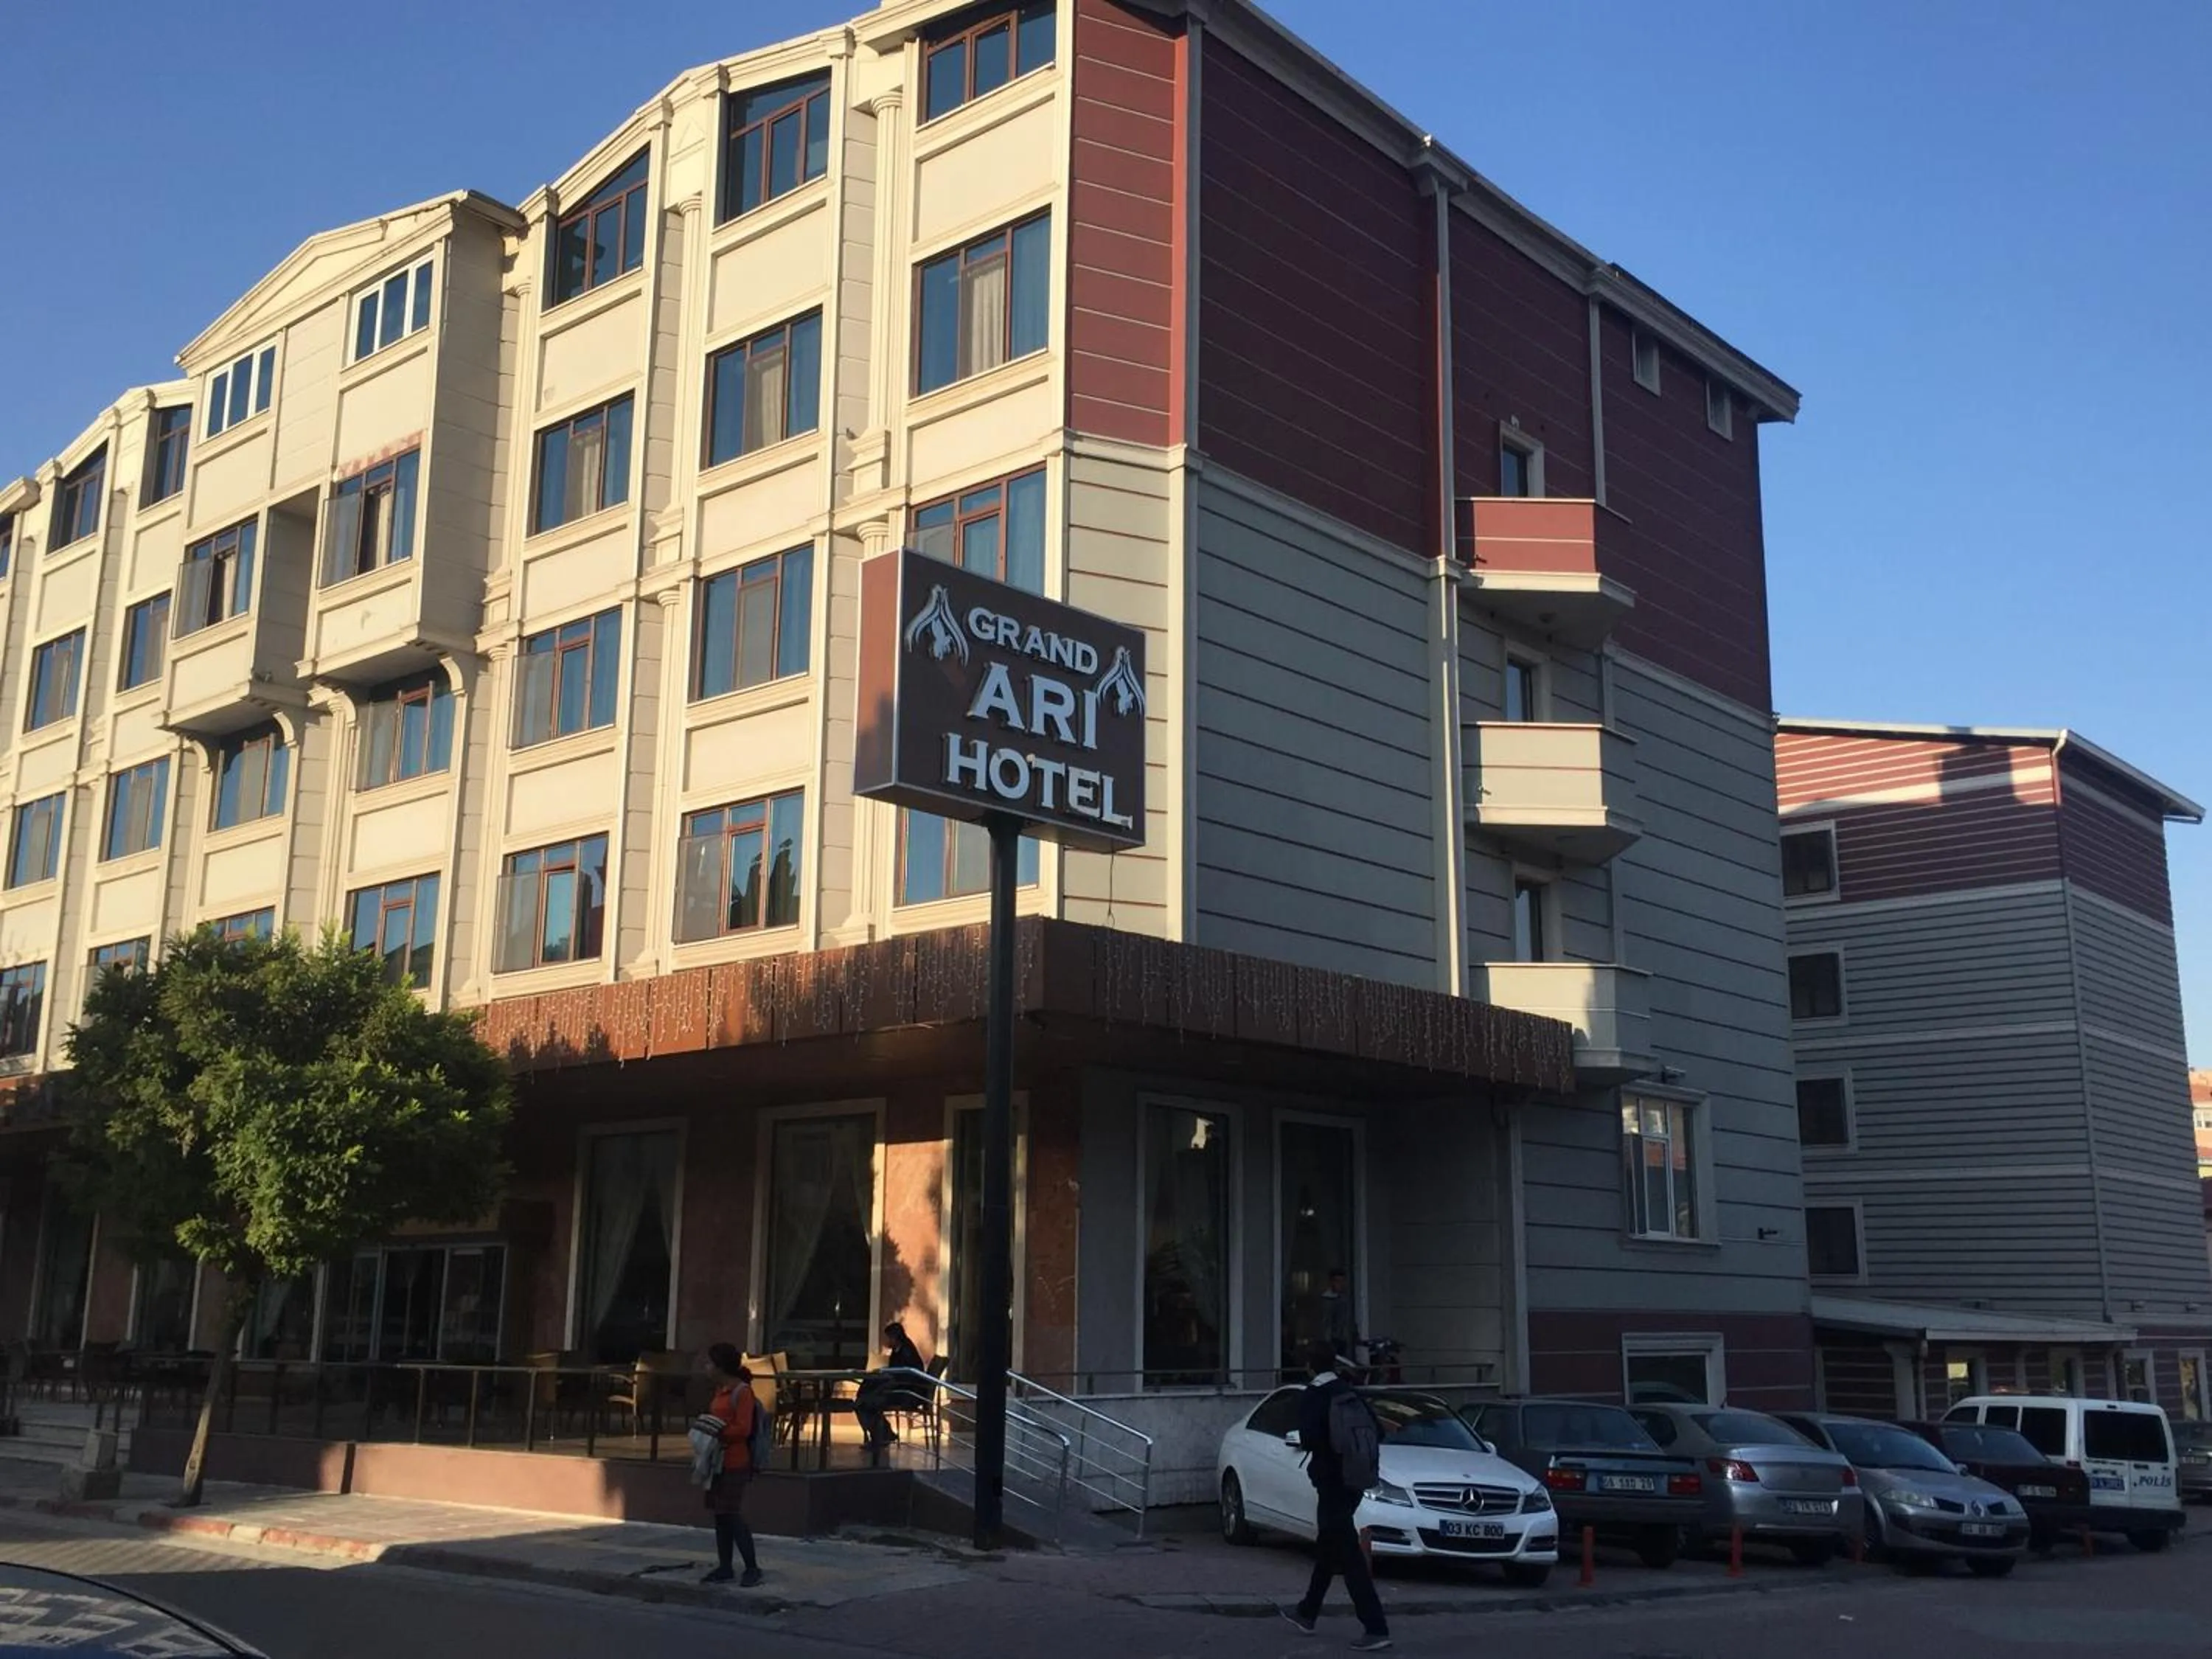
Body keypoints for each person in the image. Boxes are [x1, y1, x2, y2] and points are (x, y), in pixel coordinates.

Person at [1281, 1338, 1390, 1651]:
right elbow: (1377, 1431)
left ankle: (1375, 1626)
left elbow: (1311, 1438)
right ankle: (1307, 1612)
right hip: (1355, 1480)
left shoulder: (1314, 1395)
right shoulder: (1349, 1391)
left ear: (1309, 1366)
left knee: (1349, 1554)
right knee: (1329, 1545)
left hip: (1331, 1482)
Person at [700, 1343, 763, 1587]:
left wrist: (718, 1430)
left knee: (732, 1514)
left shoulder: (742, 1392)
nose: (706, 1367)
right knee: (720, 1515)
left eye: (710, 1363)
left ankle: (752, 1567)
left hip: (734, 1460)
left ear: (720, 1367)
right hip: (715, 1460)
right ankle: (724, 1565)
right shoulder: (720, 1391)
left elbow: (743, 1428)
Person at [854, 1320, 929, 1448]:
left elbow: (904, 1377)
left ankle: (881, 1436)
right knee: (864, 1398)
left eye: (888, 1338)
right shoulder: (898, 1350)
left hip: (907, 1393)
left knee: (867, 1403)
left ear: (895, 1337)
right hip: (899, 1389)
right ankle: (884, 1434)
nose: (887, 1341)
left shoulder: (906, 1351)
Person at [1320, 1267, 1358, 1365]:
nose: (1340, 1284)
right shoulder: (1327, 1300)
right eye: (1337, 1281)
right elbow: (1326, 1322)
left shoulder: (1347, 1298)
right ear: (1331, 1282)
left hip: (1347, 1340)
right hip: (1334, 1340)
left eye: (1342, 1281)